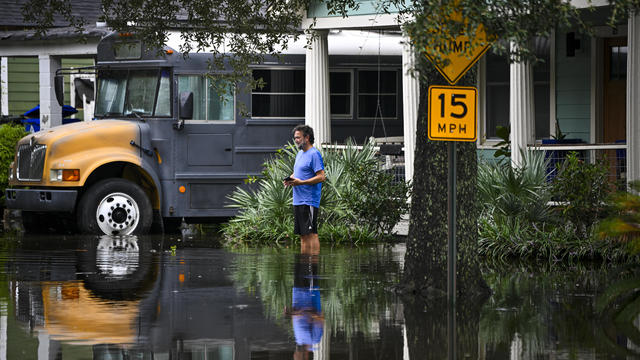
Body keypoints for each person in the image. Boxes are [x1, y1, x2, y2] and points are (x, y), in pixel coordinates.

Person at [283, 125, 326, 253]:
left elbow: (321, 177)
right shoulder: (300, 154)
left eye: (298, 137)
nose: (295, 140)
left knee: (311, 233)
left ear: (307, 138)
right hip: (298, 200)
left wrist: (301, 182)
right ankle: (304, 266)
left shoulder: (314, 154)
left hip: (309, 200)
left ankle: (312, 267)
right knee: (303, 234)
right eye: (295, 137)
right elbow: (297, 173)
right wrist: (289, 179)